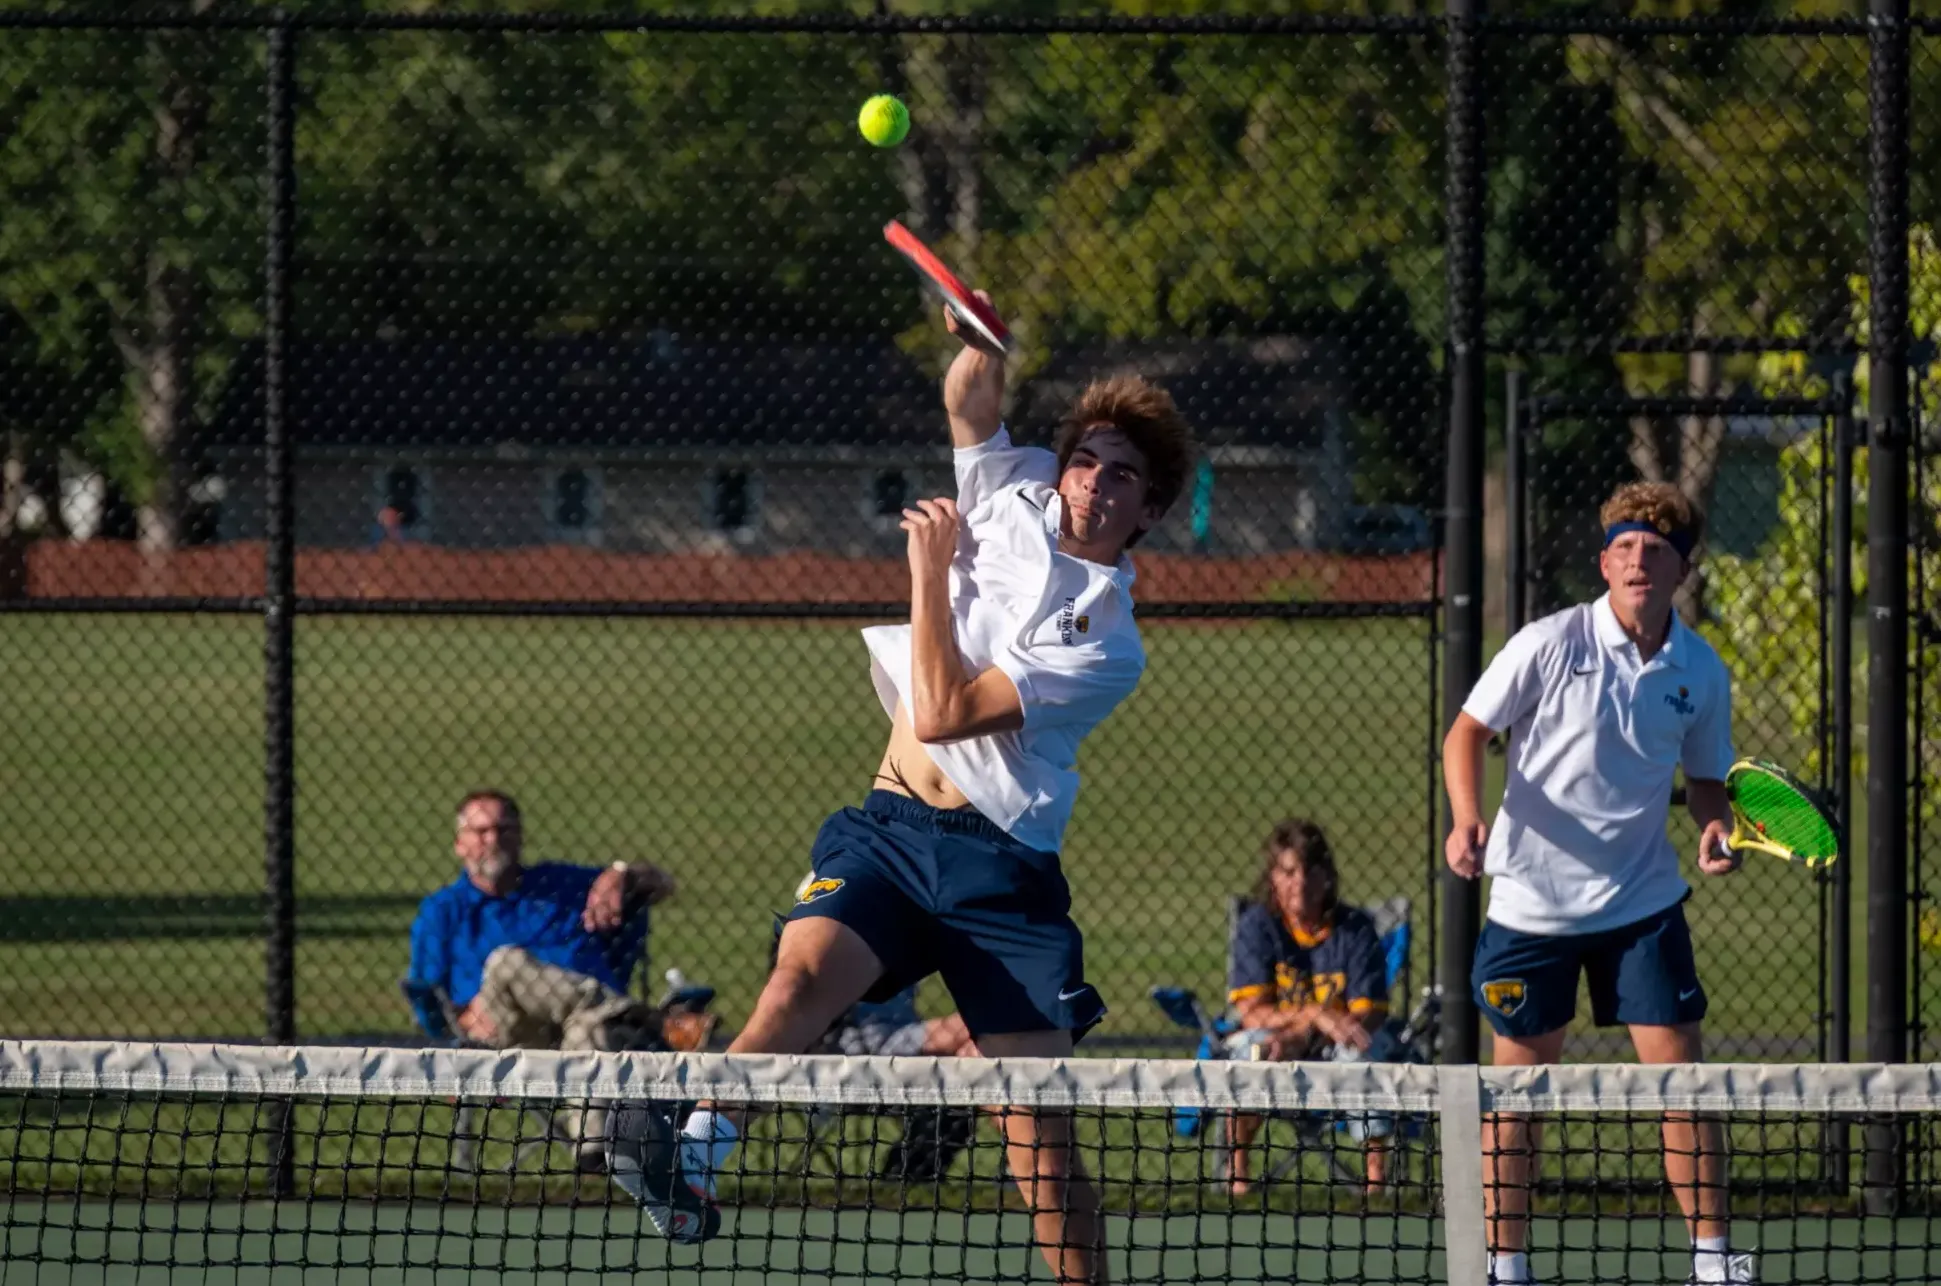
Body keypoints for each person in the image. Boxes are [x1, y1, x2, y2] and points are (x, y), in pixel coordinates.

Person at [609, 295, 1195, 1285]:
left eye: (1121, 473)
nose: (1094, 480)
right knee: (794, 985)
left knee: (1038, 1139)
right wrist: (981, 340)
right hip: (886, 833)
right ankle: (691, 1154)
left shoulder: (1107, 638)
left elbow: (945, 709)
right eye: (1085, 458)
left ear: (1148, 509)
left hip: (1001, 874)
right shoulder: (1011, 494)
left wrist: (926, 571)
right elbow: (970, 400)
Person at [1441, 482, 1751, 1286]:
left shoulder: (1700, 670)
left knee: (1682, 1083)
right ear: (1602, 561)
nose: (1636, 560)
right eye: (1622, 547)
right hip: (1529, 910)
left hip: (1641, 906)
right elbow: (1466, 732)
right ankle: (1505, 1267)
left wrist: (1712, 830)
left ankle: (1713, 1260)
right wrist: (1466, 819)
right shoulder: (1548, 643)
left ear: (1683, 567)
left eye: (1654, 550)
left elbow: (1706, 780)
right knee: (1518, 1095)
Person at [407, 789, 677, 1169]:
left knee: (586, 1029)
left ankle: (593, 1158)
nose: (493, 840)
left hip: (582, 1031)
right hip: (503, 1034)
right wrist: (460, 1030)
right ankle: (638, 1016)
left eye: (503, 829)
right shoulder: (442, 911)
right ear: (459, 844)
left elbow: (663, 884)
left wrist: (621, 874)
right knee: (506, 963)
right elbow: (426, 1001)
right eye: (480, 831)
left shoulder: (562, 885)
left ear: (519, 837)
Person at [1224, 818, 1391, 1197]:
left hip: (1337, 1046)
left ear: (1327, 877)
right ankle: (1238, 1176)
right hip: (1278, 1041)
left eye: (1309, 871)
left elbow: (1367, 1013)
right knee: (1250, 1049)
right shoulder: (1257, 926)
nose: (1299, 882)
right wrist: (1316, 1014)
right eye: (1288, 871)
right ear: (1273, 878)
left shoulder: (1355, 929)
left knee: (1362, 1051)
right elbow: (1253, 1012)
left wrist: (1304, 1034)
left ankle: (1376, 1181)